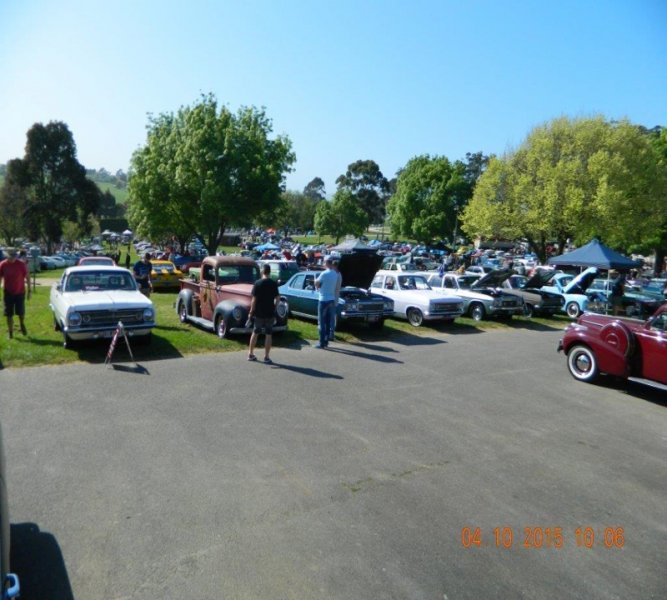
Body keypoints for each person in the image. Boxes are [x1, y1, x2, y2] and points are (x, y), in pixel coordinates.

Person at [247, 263, 280, 363]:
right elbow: (277, 298)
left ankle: (250, 353)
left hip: (259, 312)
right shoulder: (273, 284)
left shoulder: (257, 283)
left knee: (255, 332)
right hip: (270, 312)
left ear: (262, 271)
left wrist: (251, 312)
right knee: (268, 334)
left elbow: (254, 300)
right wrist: (275, 307)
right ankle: (266, 356)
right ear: (269, 272)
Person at [0, 248, 31, 339]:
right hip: (8, 293)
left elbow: (28, 278)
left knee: (21, 312)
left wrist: (29, 291)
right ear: (7, 256)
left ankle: (22, 323)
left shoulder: (21, 264)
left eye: (15, 256)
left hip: (20, 292)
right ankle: (11, 334)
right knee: (9, 314)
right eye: (11, 256)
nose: (13, 258)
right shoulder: (3, 265)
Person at [314, 258, 338, 348]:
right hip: (331, 298)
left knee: (321, 321)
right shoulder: (335, 274)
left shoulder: (324, 273)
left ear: (327, 264)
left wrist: (315, 281)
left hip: (323, 299)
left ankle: (321, 342)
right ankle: (326, 341)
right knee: (328, 321)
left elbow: (317, 284)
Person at [329, 259, 343, 341]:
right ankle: (331, 333)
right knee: (332, 317)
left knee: (330, 317)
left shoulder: (334, 275)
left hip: (332, 297)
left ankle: (331, 334)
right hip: (336, 297)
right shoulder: (339, 274)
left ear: (334, 266)